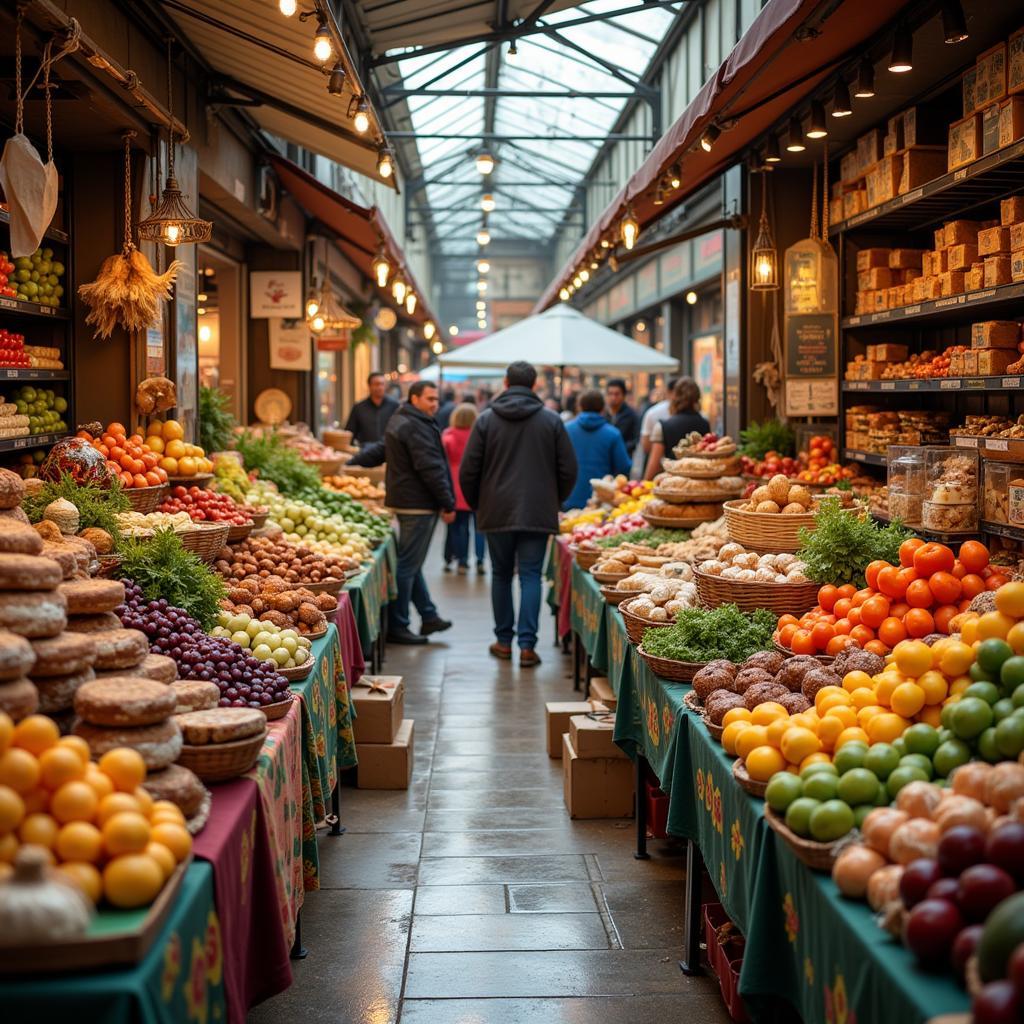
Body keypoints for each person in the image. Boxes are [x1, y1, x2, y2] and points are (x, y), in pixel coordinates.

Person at [460, 360, 577, 667]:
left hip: (495, 510)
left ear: (506, 383)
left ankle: (502, 641)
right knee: (530, 576)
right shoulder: (551, 421)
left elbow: (468, 470)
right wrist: (553, 499)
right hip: (537, 511)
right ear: (535, 384)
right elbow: (569, 469)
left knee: (500, 575)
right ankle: (527, 646)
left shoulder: (485, 420)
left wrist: (477, 503)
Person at [383, 381, 456, 645]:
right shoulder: (416, 426)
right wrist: (448, 502)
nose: (435, 404)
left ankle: (428, 615)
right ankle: (398, 625)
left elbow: (384, 450)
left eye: (436, 399)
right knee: (407, 566)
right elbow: (430, 468)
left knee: (411, 563)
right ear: (414, 398)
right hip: (417, 503)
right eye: (429, 399)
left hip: (405, 499)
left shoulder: (402, 419)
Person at [563, 390, 631, 510]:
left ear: (579, 406)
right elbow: (624, 466)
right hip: (601, 502)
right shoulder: (613, 434)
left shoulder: (566, 430)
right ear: (603, 408)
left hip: (568, 497)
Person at [442, 403, 487, 576]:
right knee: (479, 528)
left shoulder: (448, 435)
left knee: (460, 527)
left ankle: (462, 561)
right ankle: (481, 560)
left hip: (455, 484)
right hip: (477, 484)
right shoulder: (479, 435)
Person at [644, 377, 712, 479]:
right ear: (697, 398)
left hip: (673, 482)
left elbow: (654, 464)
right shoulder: (705, 423)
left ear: (674, 397)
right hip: (699, 482)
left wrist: (645, 483)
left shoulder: (663, 426)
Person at [633, 376, 678, 477]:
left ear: (668, 391)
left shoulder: (653, 412)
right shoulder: (701, 416)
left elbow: (646, 446)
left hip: (658, 468)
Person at [345, 371, 399, 446]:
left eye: (382, 384)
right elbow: (349, 433)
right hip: (365, 453)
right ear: (369, 386)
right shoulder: (359, 408)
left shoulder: (395, 406)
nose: (380, 387)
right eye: (376, 384)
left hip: (389, 453)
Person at [604, 378, 640, 457]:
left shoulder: (632, 415)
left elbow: (635, 440)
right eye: (610, 394)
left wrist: (619, 449)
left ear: (623, 395)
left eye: (617, 394)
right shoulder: (602, 414)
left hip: (623, 458)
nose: (613, 397)